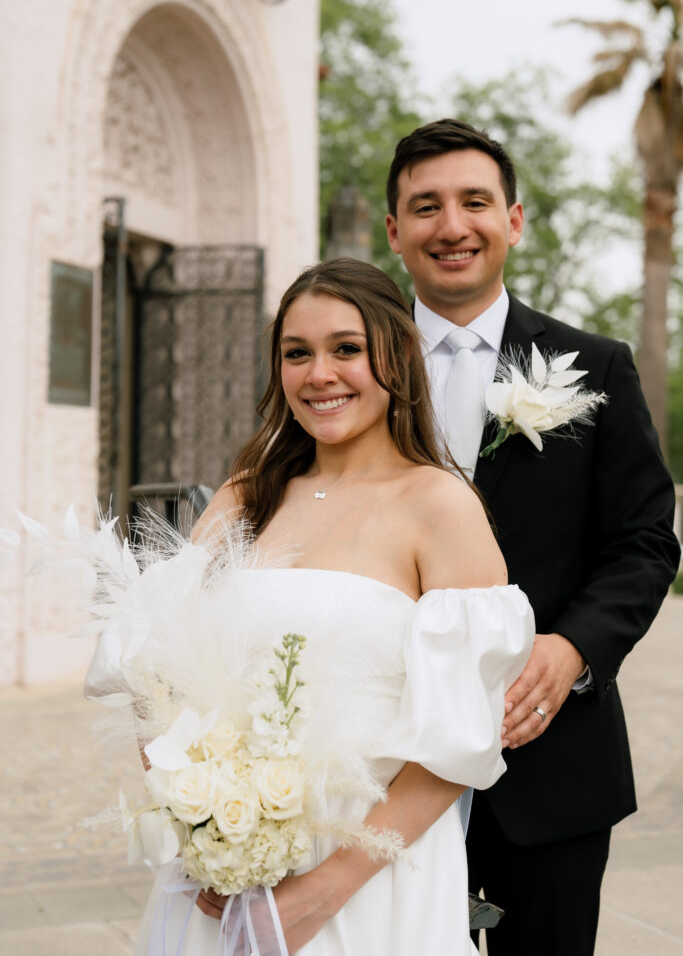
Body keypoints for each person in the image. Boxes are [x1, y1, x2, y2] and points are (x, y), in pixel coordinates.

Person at [85, 258, 534, 955]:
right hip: (223, 881)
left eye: (345, 349)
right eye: (297, 353)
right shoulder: (246, 497)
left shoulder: (439, 506)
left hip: (370, 875)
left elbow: (459, 738)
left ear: (398, 353)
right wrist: (201, 827)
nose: (318, 373)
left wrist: (324, 890)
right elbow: (154, 672)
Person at [384, 118, 681, 956]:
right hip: (381, 762)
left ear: (512, 220)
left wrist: (574, 651)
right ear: (394, 231)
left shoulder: (596, 367)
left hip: (549, 766)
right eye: (425, 206)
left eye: (474, 202)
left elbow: (644, 543)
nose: (451, 226)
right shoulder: (350, 368)